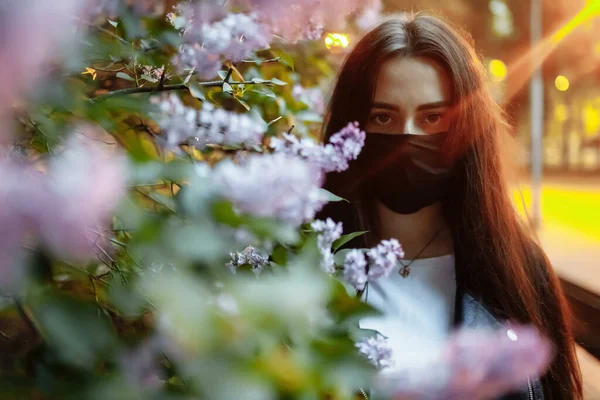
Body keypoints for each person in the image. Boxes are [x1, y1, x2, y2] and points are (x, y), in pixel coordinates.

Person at [317, 13, 582, 400]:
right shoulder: (304, 259)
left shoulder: (519, 273)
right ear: (350, 128)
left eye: (433, 117)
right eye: (383, 116)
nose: (408, 137)